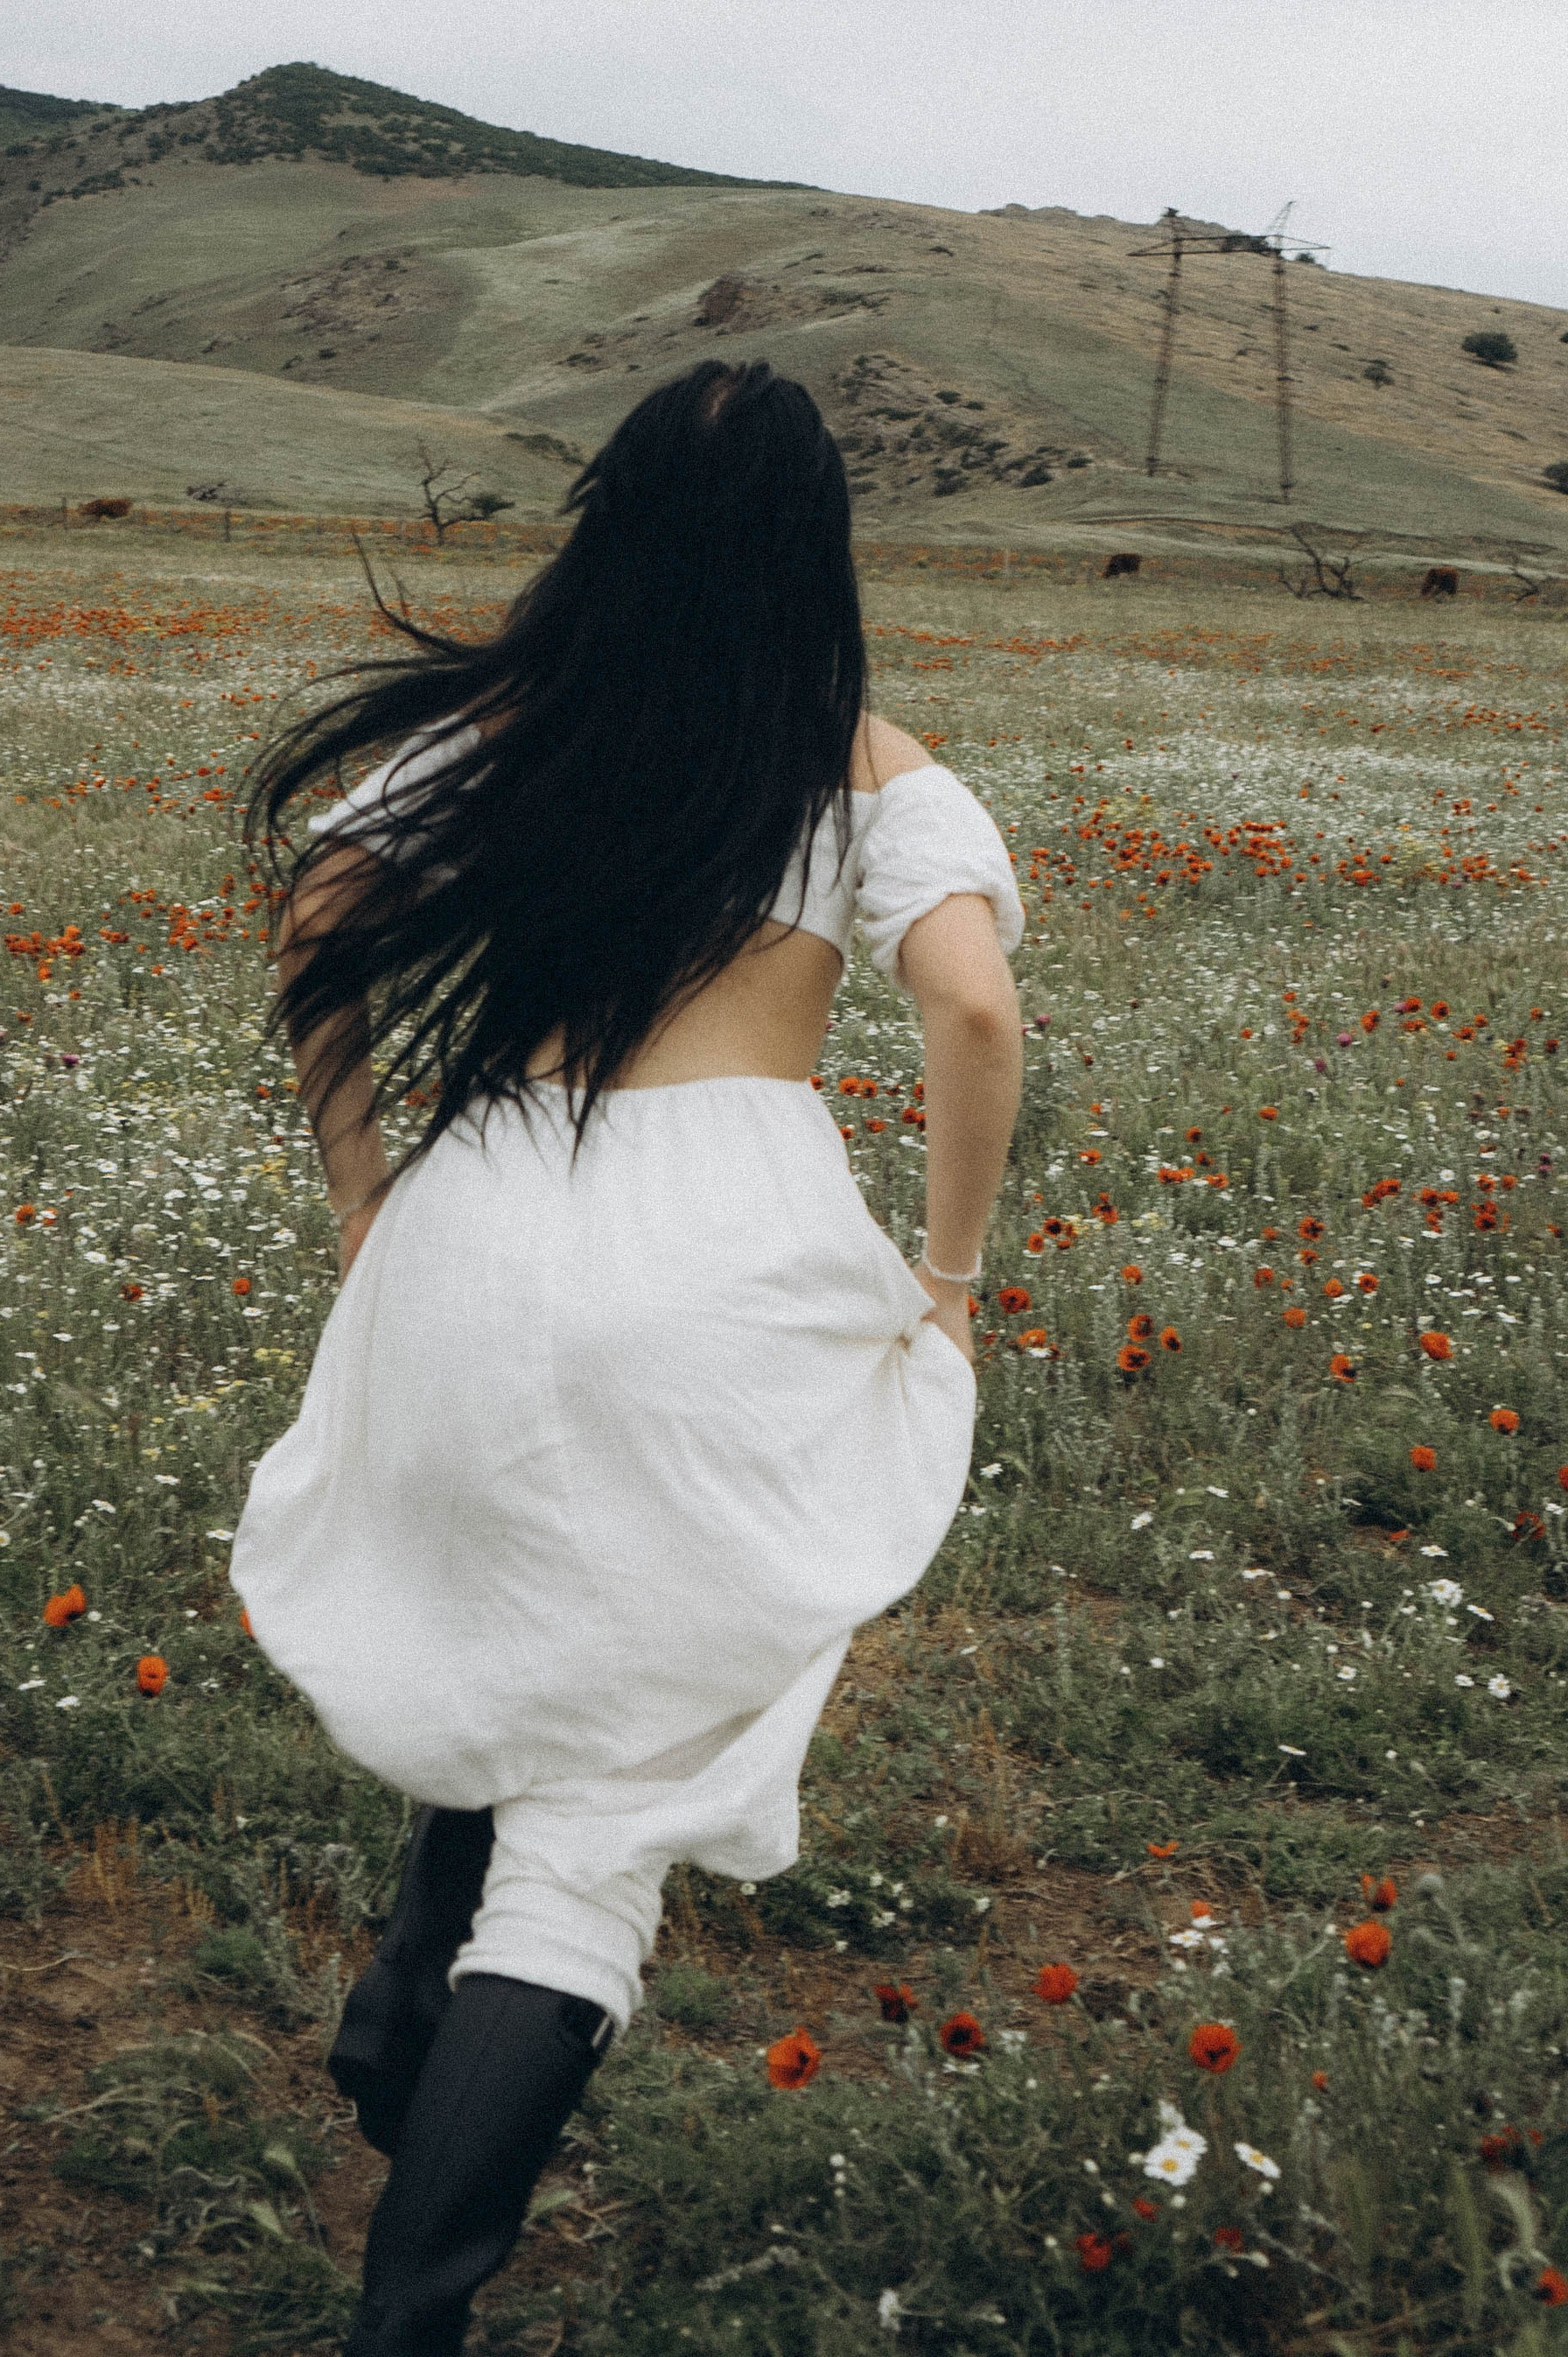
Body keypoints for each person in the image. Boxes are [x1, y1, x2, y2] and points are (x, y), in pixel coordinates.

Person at [231, 359, 1025, 2353]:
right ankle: (410, 2309)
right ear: (811, 557)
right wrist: (944, 1277)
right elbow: (977, 1022)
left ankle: (413, 1987)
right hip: (717, 1254)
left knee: (533, 1605)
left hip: (484, 1219)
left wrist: (359, 1195)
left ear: (609, 534)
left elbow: (316, 905)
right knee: (616, 1808)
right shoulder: (862, 769)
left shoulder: (511, 733)